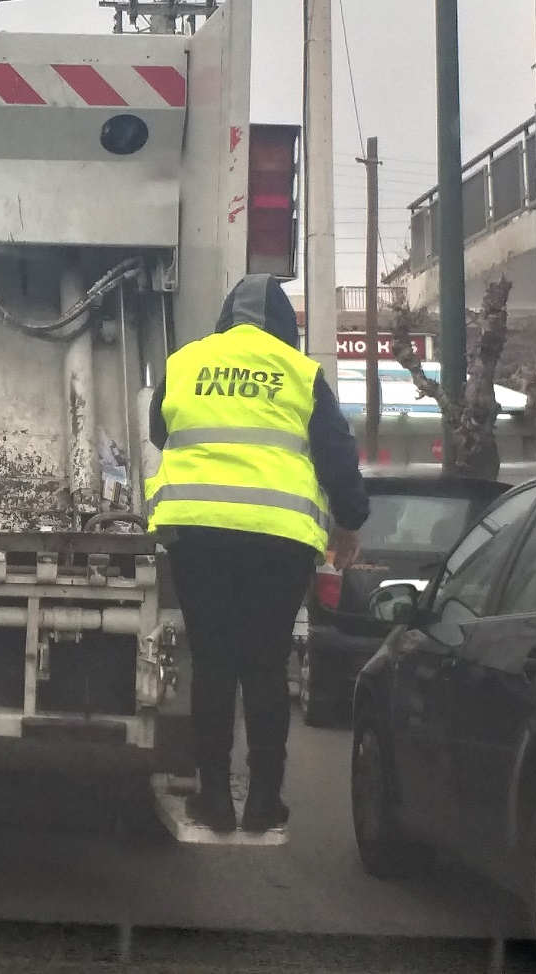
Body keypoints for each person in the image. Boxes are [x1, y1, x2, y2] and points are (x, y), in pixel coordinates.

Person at [144, 273, 369, 834]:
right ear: (284, 323)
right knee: (265, 667)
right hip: (277, 540)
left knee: (213, 664)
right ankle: (264, 800)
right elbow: (338, 459)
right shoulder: (301, 374)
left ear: (225, 317)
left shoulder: (187, 362)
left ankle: (214, 798)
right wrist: (350, 522)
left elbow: (158, 431)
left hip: (198, 536)